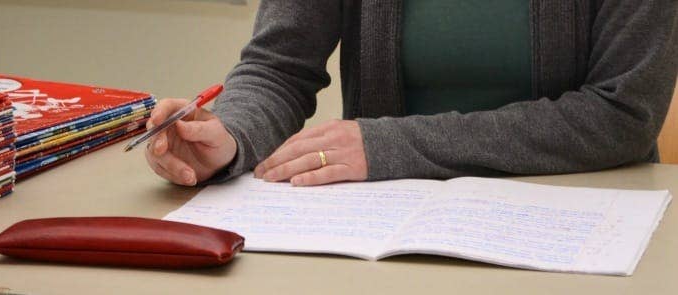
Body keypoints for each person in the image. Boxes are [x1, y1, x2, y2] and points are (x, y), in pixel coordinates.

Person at [145, 0, 678, 187]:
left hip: (584, 216)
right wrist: (232, 134)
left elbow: (622, 114)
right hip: (387, 226)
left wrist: (395, 147)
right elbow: (277, 67)